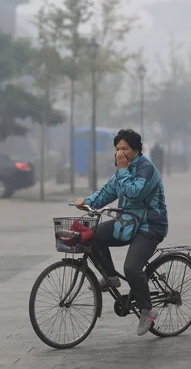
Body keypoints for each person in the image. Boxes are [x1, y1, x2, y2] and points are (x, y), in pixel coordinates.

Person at [75, 129, 168, 336]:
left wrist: (123, 169)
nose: (120, 153)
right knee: (93, 235)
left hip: (150, 226)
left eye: (124, 148)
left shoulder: (146, 169)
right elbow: (109, 191)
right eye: (117, 149)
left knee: (132, 268)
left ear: (136, 150)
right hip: (128, 222)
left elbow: (134, 193)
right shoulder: (122, 169)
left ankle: (148, 309)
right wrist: (88, 202)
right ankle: (110, 277)